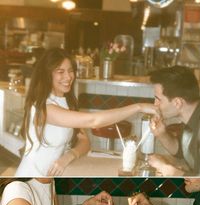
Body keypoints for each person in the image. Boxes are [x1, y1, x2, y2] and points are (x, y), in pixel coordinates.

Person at [15, 48, 158, 177]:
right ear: (47, 75)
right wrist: (138, 107)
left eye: (71, 70)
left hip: (51, 177)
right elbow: (93, 121)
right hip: (31, 177)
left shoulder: (66, 102)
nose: (68, 77)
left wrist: (68, 156)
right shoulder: (44, 108)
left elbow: (85, 142)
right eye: (60, 72)